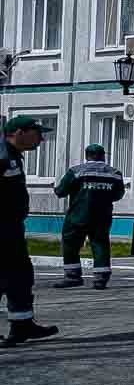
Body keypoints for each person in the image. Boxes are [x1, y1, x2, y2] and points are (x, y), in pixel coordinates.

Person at [0, 115, 57, 347]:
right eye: (37, 133)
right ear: (19, 133)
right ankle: (21, 325)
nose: (41, 139)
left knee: (19, 275)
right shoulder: (2, 156)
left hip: (10, 227)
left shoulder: (11, 155)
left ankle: (22, 324)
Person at [53, 142, 127, 288]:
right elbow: (118, 194)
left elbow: (61, 191)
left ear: (87, 156)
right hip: (102, 215)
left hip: (78, 215)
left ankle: (72, 277)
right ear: (103, 156)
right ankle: (101, 278)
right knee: (100, 244)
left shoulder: (76, 171)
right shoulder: (115, 173)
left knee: (71, 244)